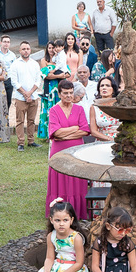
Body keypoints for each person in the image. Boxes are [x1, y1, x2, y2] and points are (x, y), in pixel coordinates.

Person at [46, 80, 90, 218]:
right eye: (65, 93)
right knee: (60, 179)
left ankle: (78, 210)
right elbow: (55, 133)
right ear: (59, 94)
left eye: (71, 93)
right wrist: (74, 128)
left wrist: (64, 133)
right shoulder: (53, 110)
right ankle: (59, 211)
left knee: (76, 179)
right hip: (59, 152)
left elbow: (85, 130)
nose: (69, 96)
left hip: (77, 151)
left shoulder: (79, 109)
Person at [9, 41, 42, 152]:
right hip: (20, 97)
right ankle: (21, 142)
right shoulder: (15, 64)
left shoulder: (35, 64)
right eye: (23, 49)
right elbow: (14, 82)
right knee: (20, 121)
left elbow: (38, 80)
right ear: (20, 51)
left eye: (27, 48)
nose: (26, 50)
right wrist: (25, 93)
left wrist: (30, 93)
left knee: (31, 120)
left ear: (30, 50)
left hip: (33, 96)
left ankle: (31, 141)